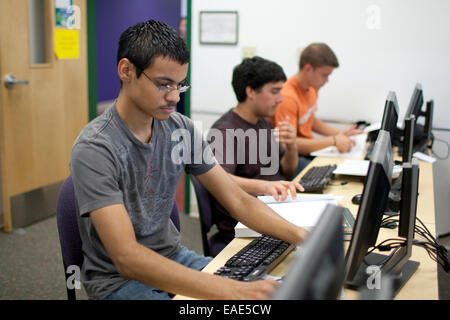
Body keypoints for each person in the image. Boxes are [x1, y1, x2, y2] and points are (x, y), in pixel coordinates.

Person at [70, 20, 307, 300]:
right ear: (126, 71)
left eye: (180, 85)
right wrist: (233, 290)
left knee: (277, 291)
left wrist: (305, 238)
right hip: (118, 281)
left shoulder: (179, 128)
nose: (173, 97)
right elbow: (127, 258)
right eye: (163, 84)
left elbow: (239, 200)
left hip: (174, 257)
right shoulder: (95, 147)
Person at [208, 56, 304, 246]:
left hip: (274, 208)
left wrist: (292, 146)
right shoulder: (224, 132)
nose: (281, 99)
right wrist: (264, 186)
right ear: (250, 91)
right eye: (275, 91)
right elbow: (220, 179)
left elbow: (286, 171)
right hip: (246, 223)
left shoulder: (262, 122)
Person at [270, 43, 362, 156]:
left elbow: (308, 119)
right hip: (292, 156)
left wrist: (340, 133)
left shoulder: (312, 88)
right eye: (324, 75)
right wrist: (333, 140)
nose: (327, 80)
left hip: (307, 151)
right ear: (308, 68)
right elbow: (288, 143)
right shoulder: (287, 97)